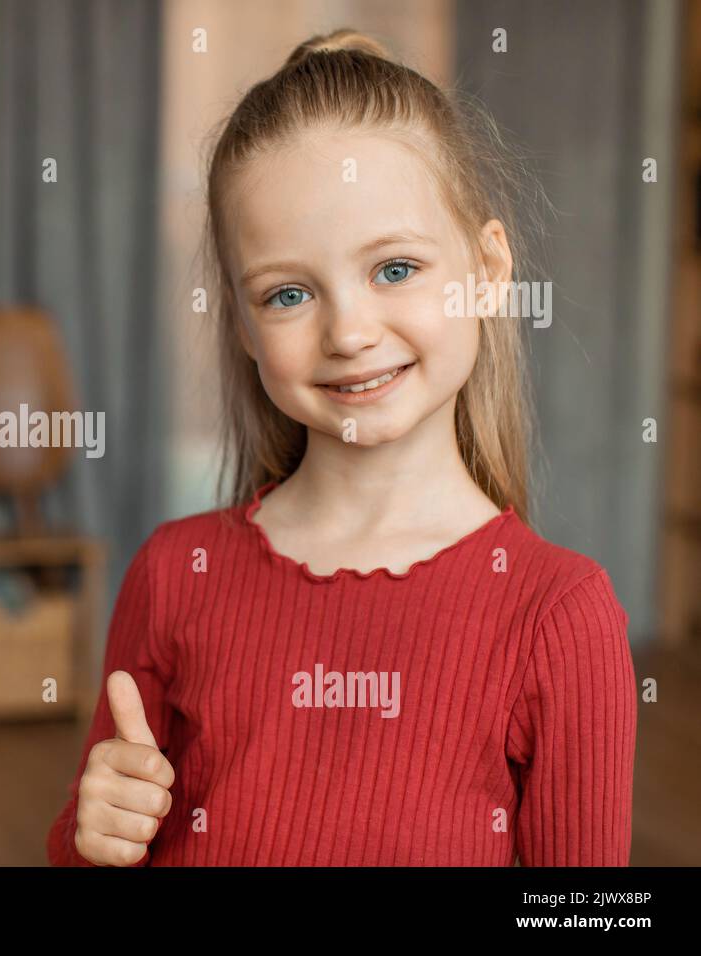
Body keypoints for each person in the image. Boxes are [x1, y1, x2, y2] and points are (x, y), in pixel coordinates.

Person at [48, 30, 636, 866]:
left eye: (395, 269)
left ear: (488, 266)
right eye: (289, 293)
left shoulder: (560, 615)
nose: (351, 332)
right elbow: (87, 850)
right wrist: (90, 838)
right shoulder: (174, 575)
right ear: (245, 328)